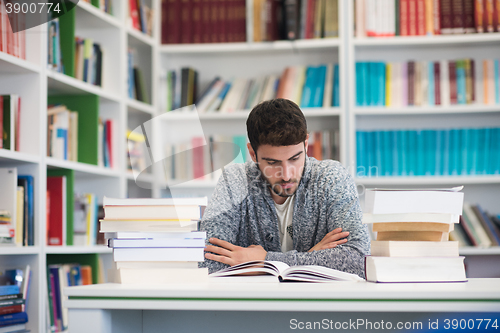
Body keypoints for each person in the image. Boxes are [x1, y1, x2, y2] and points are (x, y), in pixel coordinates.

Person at [199, 98, 370, 278]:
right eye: (272, 162)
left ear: (305, 144)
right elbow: (206, 262)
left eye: (295, 158)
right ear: (252, 153)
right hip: (252, 303)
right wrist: (311, 257)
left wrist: (267, 261)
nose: (286, 175)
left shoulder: (332, 178)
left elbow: (359, 260)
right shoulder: (234, 181)